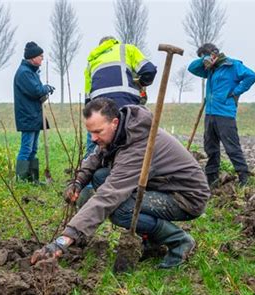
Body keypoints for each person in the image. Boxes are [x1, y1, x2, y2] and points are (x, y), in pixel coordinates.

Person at [31, 98, 210, 269]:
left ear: (114, 123)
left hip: (186, 198)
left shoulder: (139, 146)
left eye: (98, 132)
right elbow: (95, 158)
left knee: (119, 210)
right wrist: (78, 182)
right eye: (90, 132)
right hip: (162, 186)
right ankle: (151, 238)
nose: (93, 138)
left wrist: (64, 240)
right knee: (101, 176)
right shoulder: (122, 132)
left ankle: (179, 241)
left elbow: (109, 195)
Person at [188, 43, 255, 187]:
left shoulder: (232, 65)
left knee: (232, 147)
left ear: (214, 53)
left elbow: (251, 76)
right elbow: (192, 68)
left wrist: (236, 92)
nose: (205, 61)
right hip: (210, 113)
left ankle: (244, 177)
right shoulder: (209, 70)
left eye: (206, 56)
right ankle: (212, 178)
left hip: (225, 114)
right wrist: (204, 60)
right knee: (210, 147)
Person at [84, 36, 157, 153]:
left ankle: (89, 167)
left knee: (95, 144)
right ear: (114, 42)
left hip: (99, 109)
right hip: (126, 104)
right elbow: (149, 70)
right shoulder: (127, 49)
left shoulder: (91, 61)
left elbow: (88, 100)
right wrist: (142, 83)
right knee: (133, 143)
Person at [13, 42, 55, 183]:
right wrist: (46, 88)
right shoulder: (24, 73)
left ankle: (32, 179)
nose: (42, 58)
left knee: (33, 148)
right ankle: (21, 179)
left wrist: (44, 90)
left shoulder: (31, 71)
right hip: (28, 116)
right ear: (32, 58)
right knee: (27, 148)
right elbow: (36, 90)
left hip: (34, 116)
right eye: (40, 56)